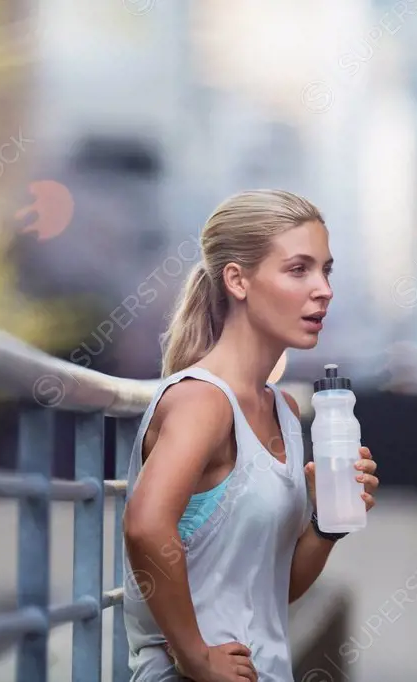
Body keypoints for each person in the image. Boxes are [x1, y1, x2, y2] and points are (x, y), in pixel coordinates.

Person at [122, 189, 379, 681]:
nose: (323, 289)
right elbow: (145, 526)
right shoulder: (202, 400)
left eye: (326, 270)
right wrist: (195, 656)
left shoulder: (282, 409)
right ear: (238, 280)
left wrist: (327, 524)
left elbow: (270, 590)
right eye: (298, 269)